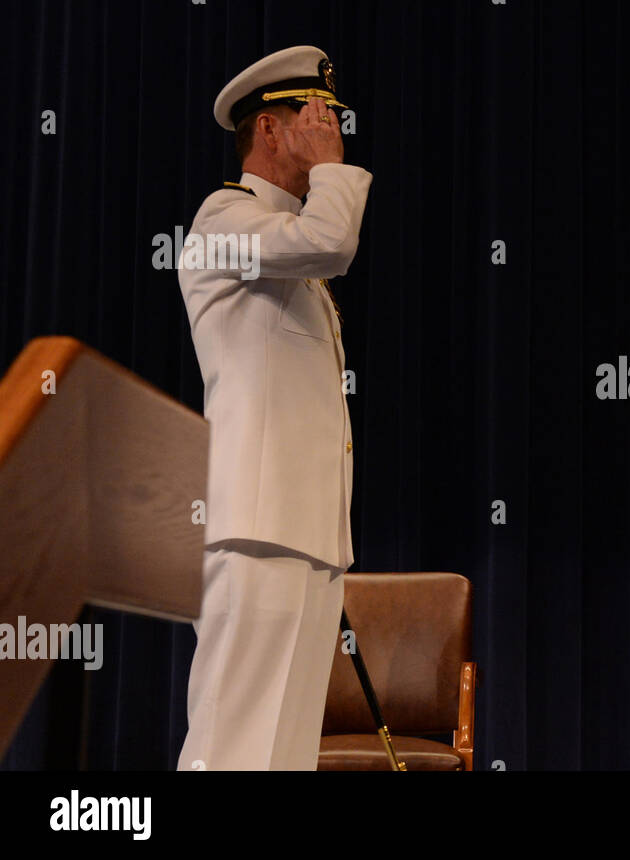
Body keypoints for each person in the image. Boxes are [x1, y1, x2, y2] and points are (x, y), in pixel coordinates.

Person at [176, 46, 372, 770]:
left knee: (285, 753)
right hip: (255, 526)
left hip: (310, 533)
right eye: (313, 116)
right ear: (269, 129)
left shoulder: (288, 249)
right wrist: (332, 170)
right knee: (231, 744)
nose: (331, 129)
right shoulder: (224, 220)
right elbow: (330, 241)